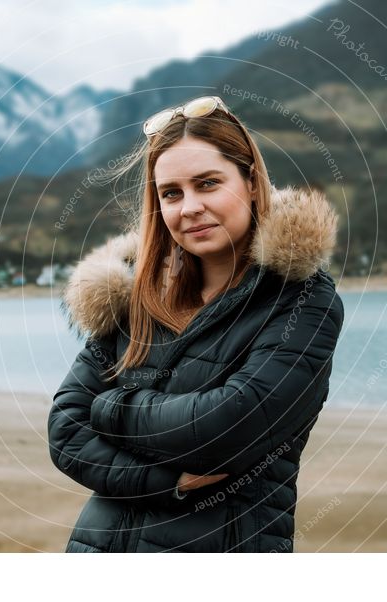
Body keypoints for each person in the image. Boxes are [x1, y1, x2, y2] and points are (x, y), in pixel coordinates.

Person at [48, 95, 344, 552]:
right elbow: (65, 431)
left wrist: (109, 409)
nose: (188, 207)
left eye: (207, 184)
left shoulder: (301, 299)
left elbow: (226, 428)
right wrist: (169, 480)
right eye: (171, 193)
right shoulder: (135, 297)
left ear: (249, 181)